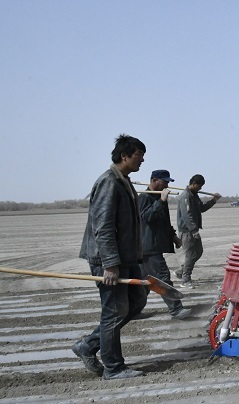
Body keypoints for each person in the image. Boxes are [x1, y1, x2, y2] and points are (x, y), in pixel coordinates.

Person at [72, 134, 148, 380]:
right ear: (124, 156)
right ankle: (113, 368)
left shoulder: (123, 180)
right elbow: (102, 227)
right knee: (113, 311)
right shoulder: (109, 182)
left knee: (137, 301)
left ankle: (88, 345)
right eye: (139, 155)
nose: (142, 160)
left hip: (126, 258)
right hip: (110, 260)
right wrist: (110, 265)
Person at [138, 169, 192, 320]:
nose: (167, 184)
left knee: (144, 282)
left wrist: (173, 236)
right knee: (162, 277)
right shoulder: (144, 197)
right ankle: (176, 309)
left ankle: (133, 310)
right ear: (154, 180)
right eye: (165, 181)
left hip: (151, 246)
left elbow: (163, 222)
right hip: (148, 247)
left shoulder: (158, 197)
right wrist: (161, 202)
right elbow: (146, 217)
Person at [174, 174, 221, 289]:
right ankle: (185, 280)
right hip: (187, 231)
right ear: (193, 184)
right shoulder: (185, 197)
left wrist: (213, 200)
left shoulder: (194, 195)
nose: (200, 189)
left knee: (198, 252)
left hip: (193, 230)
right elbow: (187, 216)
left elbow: (202, 208)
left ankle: (181, 271)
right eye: (199, 186)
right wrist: (194, 230)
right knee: (191, 255)